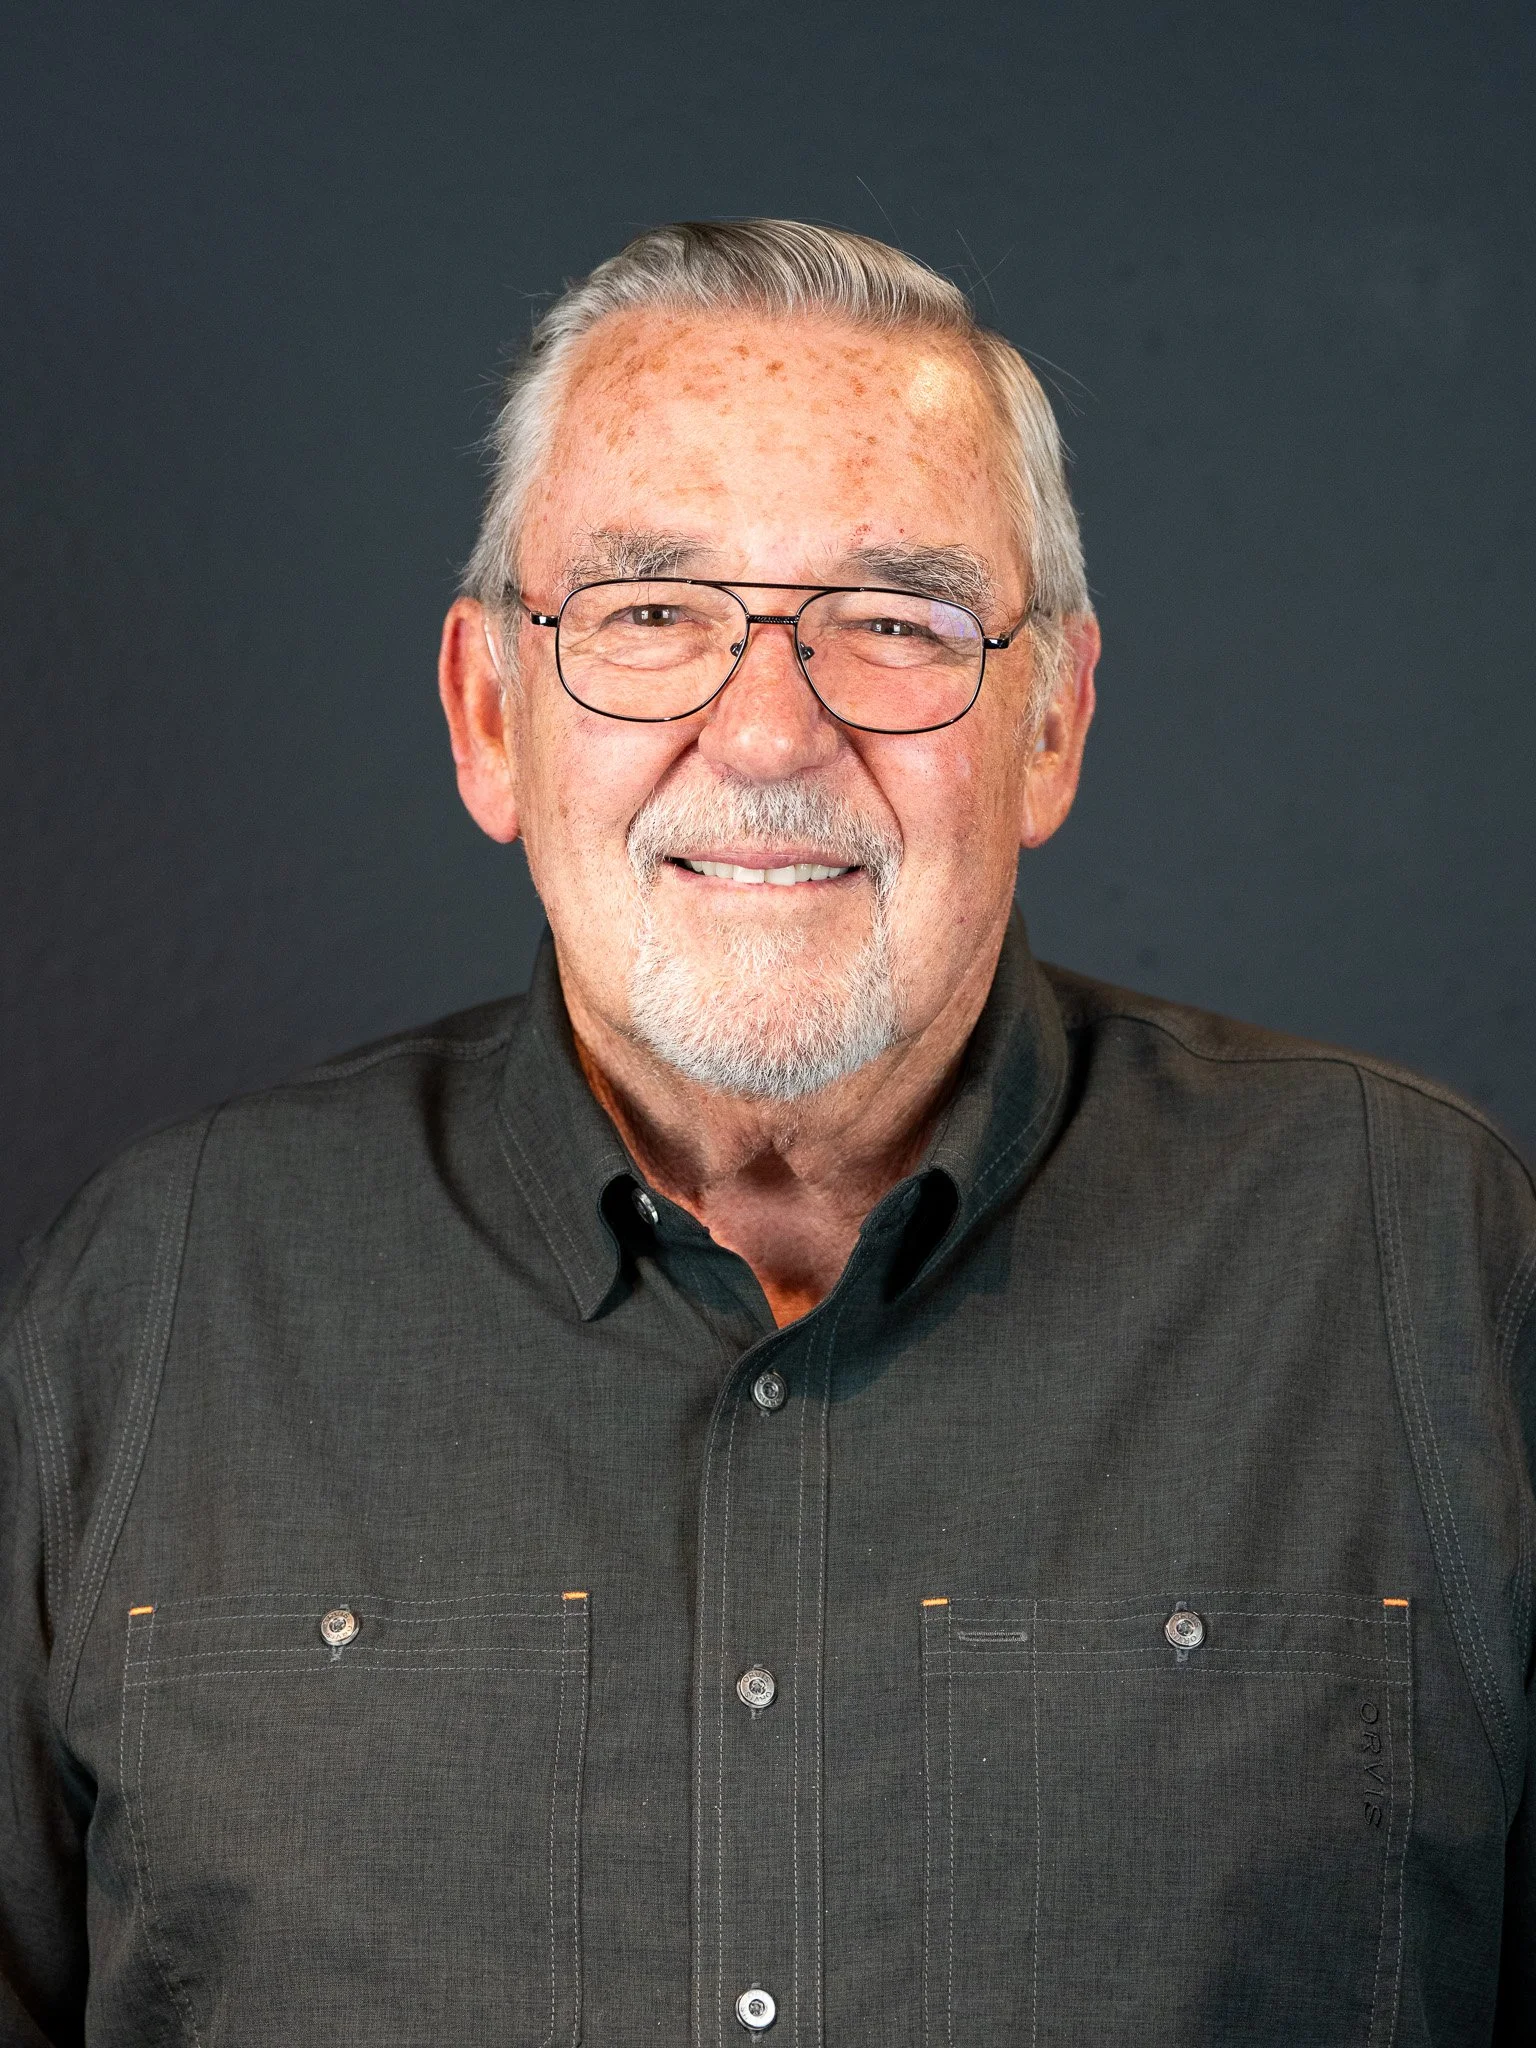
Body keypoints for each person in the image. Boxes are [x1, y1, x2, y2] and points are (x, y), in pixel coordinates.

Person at [2, 218, 1532, 2048]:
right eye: (652, 615)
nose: (766, 737)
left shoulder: (1420, 1258)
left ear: (1051, 723)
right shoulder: (157, 1297)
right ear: (490, 715)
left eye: (894, 623)